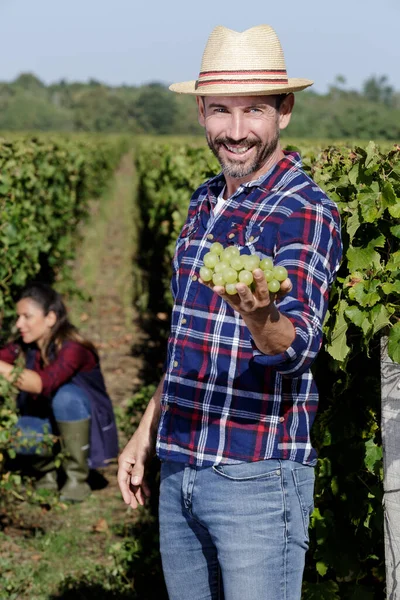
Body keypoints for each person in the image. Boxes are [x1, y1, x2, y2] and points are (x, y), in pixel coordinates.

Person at [118, 24, 342, 600]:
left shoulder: (305, 211)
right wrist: (146, 432)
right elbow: (187, 340)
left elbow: (297, 350)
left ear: (285, 110)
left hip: (257, 478)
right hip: (182, 460)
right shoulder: (203, 201)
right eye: (221, 110)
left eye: (254, 111)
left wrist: (259, 315)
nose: (236, 132)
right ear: (200, 111)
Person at [0, 282, 119, 502]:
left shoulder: (74, 349)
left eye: (27, 317)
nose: (19, 324)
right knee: (18, 436)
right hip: (48, 421)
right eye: (18, 317)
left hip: (84, 425)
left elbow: (42, 384)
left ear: (50, 318)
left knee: (66, 397)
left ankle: (76, 478)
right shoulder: (26, 345)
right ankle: (47, 471)